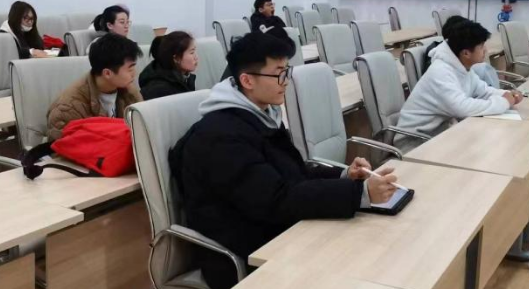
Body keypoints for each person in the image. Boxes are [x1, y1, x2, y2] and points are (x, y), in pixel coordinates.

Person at [169, 32, 399, 288]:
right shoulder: (221, 137)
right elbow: (276, 200)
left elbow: (292, 173)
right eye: (279, 74)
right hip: (246, 252)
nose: (286, 81)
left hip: (278, 231)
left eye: (287, 71)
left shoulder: (259, 115)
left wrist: (346, 176)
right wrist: (359, 194)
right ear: (247, 80)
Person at [397, 20, 523, 139]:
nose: (485, 50)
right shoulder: (441, 72)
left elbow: (482, 90)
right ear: (466, 53)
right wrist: (503, 102)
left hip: (440, 133)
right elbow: (462, 108)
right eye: (481, 46)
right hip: (415, 140)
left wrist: (506, 94)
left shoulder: (462, 66)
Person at [47, 33, 143, 141]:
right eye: (130, 69)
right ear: (107, 73)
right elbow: (62, 147)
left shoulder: (129, 92)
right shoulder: (68, 108)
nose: (134, 74)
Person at [139, 31, 198, 101]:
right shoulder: (159, 90)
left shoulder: (183, 78)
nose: (196, 57)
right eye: (192, 52)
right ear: (176, 58)